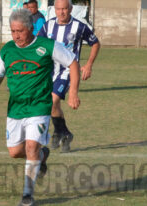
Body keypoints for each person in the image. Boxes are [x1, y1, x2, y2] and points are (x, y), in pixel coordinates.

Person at [0, 9, 80, 206]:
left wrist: (73, 93)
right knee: (15, 152)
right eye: (12, 31)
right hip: (16, 109)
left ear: (30, 29)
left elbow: (73, 63)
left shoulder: (47, 46)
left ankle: (27, 195)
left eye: (20, 31)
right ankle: (43, 155)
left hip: (39, 107)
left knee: (31, 147)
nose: (16, 35)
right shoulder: (7, 50)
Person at [38, 0, 100, 152]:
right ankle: (63, 132)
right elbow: (38, 44)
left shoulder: (79, 26)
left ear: (71, 9)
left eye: (64, 9)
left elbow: (95, 43)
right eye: (58, 9)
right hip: (50, 71)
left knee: (52, 100)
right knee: (51, 104)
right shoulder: (48, 25)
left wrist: (89, 64)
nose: (61, 12)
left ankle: (61, 132)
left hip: (68, 71)